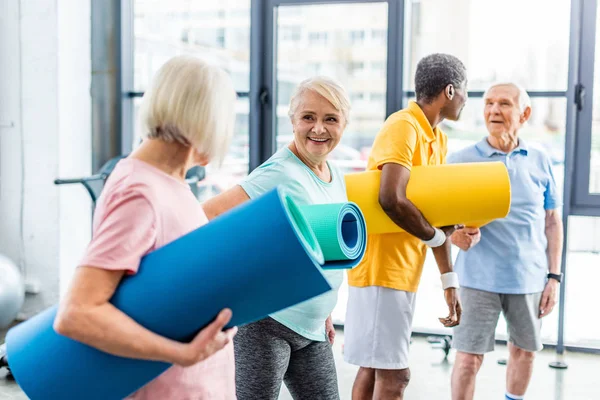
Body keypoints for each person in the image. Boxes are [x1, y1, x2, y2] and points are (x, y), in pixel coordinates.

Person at [53, 55, 239, 399]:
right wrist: (181, 354)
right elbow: (78, 313)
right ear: (206, 119)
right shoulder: (140, 191)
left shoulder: (171, 182)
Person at [202, 76, 351, 400]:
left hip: (311, 327)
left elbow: (323, 246)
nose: (319, 129)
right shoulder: (280, 172)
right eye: (308, 117)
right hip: (266, 324)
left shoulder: (334, 174)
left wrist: (324, 308)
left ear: (344, 124)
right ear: (293, 120)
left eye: (330, 119)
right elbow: (207, 215)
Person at [344, 53, 468, 400]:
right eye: (465, 92)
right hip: (381, 270)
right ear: (449, 90)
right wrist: (433, 235)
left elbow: (437, 217)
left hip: (402, 271)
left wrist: (449, 281)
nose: (465, 101)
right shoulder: (403, 125)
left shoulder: (437, 140)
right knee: (395, 376)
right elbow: (391, 198)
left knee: (373, 368)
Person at [448, 82, 563, 400]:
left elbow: (552, 221)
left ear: (524, 113)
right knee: (468, 359)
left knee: (524, 352)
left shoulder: (540, 159)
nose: (494, 110)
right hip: (476, 279)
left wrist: (554, 277)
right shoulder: (461, 159)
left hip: (528, 278)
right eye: (488, 103)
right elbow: (439, 220)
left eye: (504, 104)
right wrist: (454, 234)